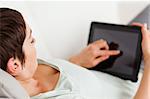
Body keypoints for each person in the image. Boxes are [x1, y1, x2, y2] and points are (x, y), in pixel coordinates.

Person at [0, 8, 149, 99]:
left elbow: (65, 80)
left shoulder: (27, 69)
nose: (35, 41)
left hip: (122, 70)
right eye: (31, 40)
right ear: (14, 65)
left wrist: (78, 60)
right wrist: (148, 60)